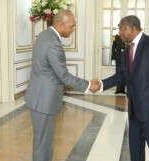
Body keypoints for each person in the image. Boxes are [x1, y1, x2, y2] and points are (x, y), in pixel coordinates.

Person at [24, 10, 98, 161]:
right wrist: (88, 85)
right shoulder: (53, 43)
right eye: (71, 26)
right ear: (59, 23)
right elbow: (63, 75)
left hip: (37, 96)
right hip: (44, 100)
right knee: (44, 143)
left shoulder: (44, 35)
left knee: (41, 141)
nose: (73, 29)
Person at [97, 15, 149, 161]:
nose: (120, 32)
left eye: (122, 28)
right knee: (135, 147)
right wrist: (101, 85)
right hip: (134, 108)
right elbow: (120, 76)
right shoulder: (127, 51)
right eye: (119, 29)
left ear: (134, 28)